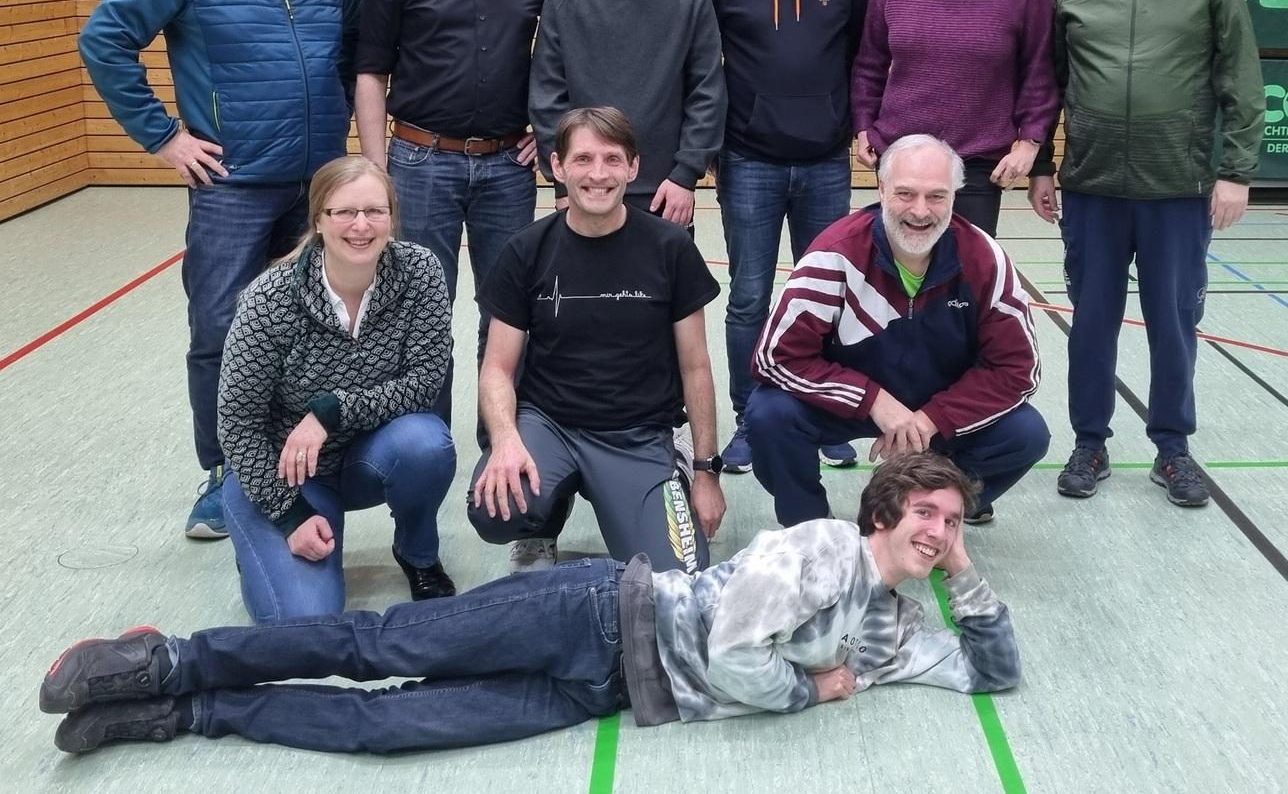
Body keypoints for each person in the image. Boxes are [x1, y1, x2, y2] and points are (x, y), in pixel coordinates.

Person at [40, 452, 1021, 756]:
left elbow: (992, 672)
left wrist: (965, 573)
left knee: (389, 730)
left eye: (951, 522)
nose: (937, 530)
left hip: (602, 692)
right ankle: (166, 659)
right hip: (593, 613)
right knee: (378, 645)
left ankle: (185, 714)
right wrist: (812, 690)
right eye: (925, 514)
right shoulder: (821, 547)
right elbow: (732, 650)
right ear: (884, 513)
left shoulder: (893, 629)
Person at [78, 0, 363, 539]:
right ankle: (226, 470)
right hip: (232, 185)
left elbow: (356, 59)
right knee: (220, 328)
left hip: (318, 187)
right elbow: (104, 38)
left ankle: (310, 456)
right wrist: (164, 136)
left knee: (320, 327)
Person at [1028, 0, 1265, 508]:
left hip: (1177, 190)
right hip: (1092, 188)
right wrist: (1043, 165)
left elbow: (1240, 74)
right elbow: (1048, 81)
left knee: (1174, 323)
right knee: (1092, 323)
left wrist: (1236, 172)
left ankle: (1173, 448)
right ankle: (1089, 443)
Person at [355, 0, 563, 426]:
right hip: (420, 163)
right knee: (421, 310)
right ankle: (427, 443)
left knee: (506, 311)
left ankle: (500, 441)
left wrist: (547, 130)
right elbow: (370, 71)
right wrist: (375, 169)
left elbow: (566, 55)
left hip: (508, 166)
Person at [467, 107, 725, 574]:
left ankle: (675, 463)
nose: (599, 174)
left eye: (612, 159)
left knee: (680, 577)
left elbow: (696, 366)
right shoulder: (526, 250)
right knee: (494, 510)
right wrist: (505, 440)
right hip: (550, 423)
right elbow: (498, 368)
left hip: (637, 433)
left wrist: (708, 472)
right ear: (558, 166)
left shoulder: (671, 248)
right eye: (583, 159)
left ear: (633, 167)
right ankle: (543, 519)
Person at [747, 135, 1048, 526]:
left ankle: (932, 508)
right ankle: (809, 523)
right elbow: (774, 357)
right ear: (881, 188)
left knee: (1026, 433)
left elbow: (1017, 371)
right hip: (853, 403)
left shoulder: (984, 259)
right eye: (906, 193)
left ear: (955, 195)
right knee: (770, 414)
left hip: (937, 405)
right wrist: (873, 400)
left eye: (936, 196)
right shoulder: (834, 255)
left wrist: (930, 419)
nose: (920, 211)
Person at [216, 157, 457, 622]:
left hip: (366, 457)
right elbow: (237, 425)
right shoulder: (269, 299)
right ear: (319, 220)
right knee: (304, 621)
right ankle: (263, 545)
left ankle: (418, 552)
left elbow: (426, 380)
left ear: (392, 217)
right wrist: (290, 516)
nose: (361, 226)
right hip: (283, 471)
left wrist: (331, 412)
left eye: (375, 211)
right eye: (344, 212)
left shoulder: (420, 271)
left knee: (426, 444)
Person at [698, 0, 870, 473]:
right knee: (749, 296)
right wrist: (710, 147)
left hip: (825, 161)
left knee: (826, 294)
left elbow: (862, 57)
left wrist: (856, 127)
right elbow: (703, 67)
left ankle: (824, 415)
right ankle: (750, 418)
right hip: (749, 161)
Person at [849, 0, 1057, 238]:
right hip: (901, 157)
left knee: (965, 274)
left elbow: (1039, 69)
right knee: (898, 270)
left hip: (978, 167)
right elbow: (870, 60)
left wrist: (1030, 143)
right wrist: (863, 126)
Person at [528, 0, 727, 226]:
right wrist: (563, 182)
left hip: (666, 193)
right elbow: (547, 96)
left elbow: (707, 92)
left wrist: (686, 174)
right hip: (586, 190)